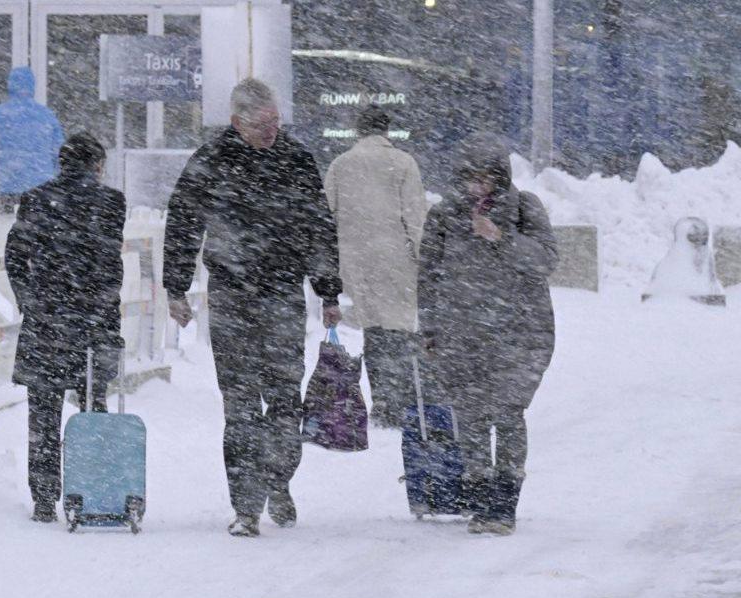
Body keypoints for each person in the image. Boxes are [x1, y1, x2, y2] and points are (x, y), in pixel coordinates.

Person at [164, 78, 343, 538]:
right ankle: (245, 507)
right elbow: (183, 223)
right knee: (240, 406)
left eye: (276, 122)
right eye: (262, 124)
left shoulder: (297, 159)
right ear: (237, 122)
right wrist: (175, 288)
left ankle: (278, 480)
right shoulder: (211, 161)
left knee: (285, 398)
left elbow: (319, 228)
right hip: (231, 293)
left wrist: (328, 291)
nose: (271, 132)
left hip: (282, 292)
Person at [418, 134, 558, 535]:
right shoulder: (445, 216)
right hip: (462, 333)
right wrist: (428, 326)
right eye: (471, 180)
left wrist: (503, 238)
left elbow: (547, 259)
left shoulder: (524, 208)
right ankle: (482, 501)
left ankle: (506, 501)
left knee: (509, 413)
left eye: (487, 179)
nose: (478, 188)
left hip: (519, 331)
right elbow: (428, 274)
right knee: (473, 417)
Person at [4, 132, 126, 523]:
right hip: (92, 320)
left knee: (43, 410)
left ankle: (44, 498)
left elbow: (15, 256)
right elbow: (109, 264)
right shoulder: (111, 202)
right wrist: (105, 312)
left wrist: (30, 300)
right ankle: (90, 489)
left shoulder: (36, 199)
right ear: (97, 166)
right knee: (92, 405)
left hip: (47, 322)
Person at [323, 105, 429, 428]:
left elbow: (327, 217)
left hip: (356, 261)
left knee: (374, 330)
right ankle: (403, 400)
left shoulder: (341, 165)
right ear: (386, 130)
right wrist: (425, 261)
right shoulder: (403, 163)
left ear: (358, 131)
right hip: (396, 259)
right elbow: (416, 218)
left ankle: (382, 400)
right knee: (399, 328)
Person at [0, 67, 65, 211]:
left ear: (10, 85)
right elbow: (60, 152)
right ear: (32, 86)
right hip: (42, 186)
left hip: (10, 184)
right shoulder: (47, 116)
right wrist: (57, 178)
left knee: (8, 228)